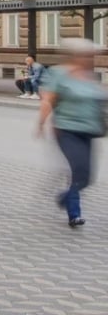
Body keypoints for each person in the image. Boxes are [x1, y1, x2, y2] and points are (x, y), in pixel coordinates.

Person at [37, 39, 107, 227]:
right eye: (87, 55)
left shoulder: (89, 76)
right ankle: (74, 214)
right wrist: (41, 123)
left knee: (86, 177)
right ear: (75, 56)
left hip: (89, 131)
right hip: (67, 130)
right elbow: (48, 99)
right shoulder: (58, 73)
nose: (90, 59)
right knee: (79, 170)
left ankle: (64, 198)